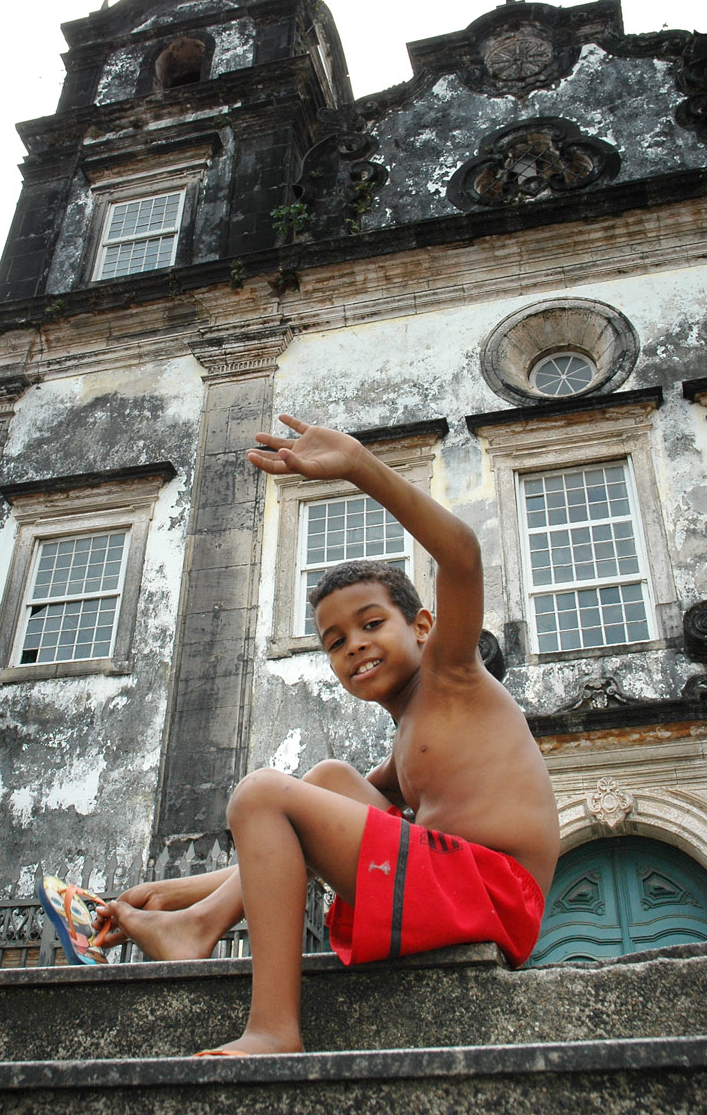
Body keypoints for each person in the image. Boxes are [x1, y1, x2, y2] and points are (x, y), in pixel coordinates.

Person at [95, 414, 560, 1057]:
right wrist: (170, 892)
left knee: (260, 792)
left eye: (372, 624)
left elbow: (461, 555)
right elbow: (303, 839)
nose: (356, 646)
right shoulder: (409, 738)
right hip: (461, 884)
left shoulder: (453, 675)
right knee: (329, 781)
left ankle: (273, 1028)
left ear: (423, 625)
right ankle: (195, 922)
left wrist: (360, 467)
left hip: (492, 891)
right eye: (336, 641)